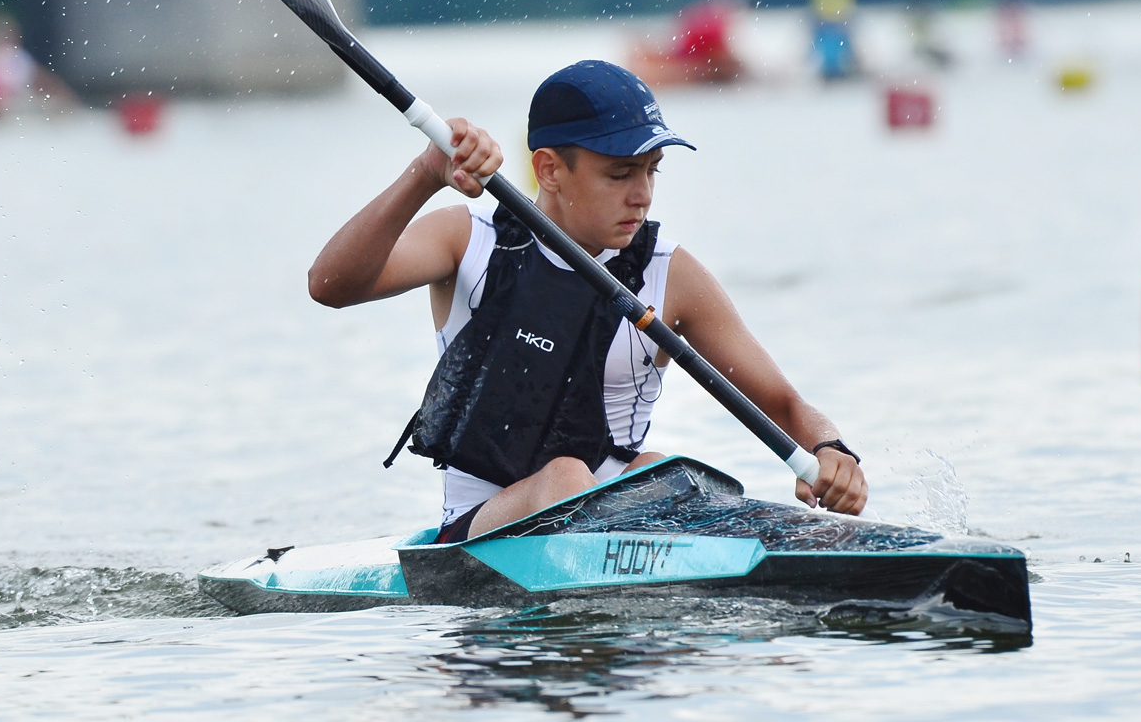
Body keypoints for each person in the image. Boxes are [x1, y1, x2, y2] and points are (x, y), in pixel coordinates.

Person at [308, 60, 867, 542]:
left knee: (667, 472)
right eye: (620, 173)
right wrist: (427, 174)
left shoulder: (670, 273)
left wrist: (830, 449)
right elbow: (330, 285)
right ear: (549, 169)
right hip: (482, 528)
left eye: (652, 172)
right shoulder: (470, 238)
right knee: (567, 475)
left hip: (620, 526)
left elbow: (785, 404)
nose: (642, 195)